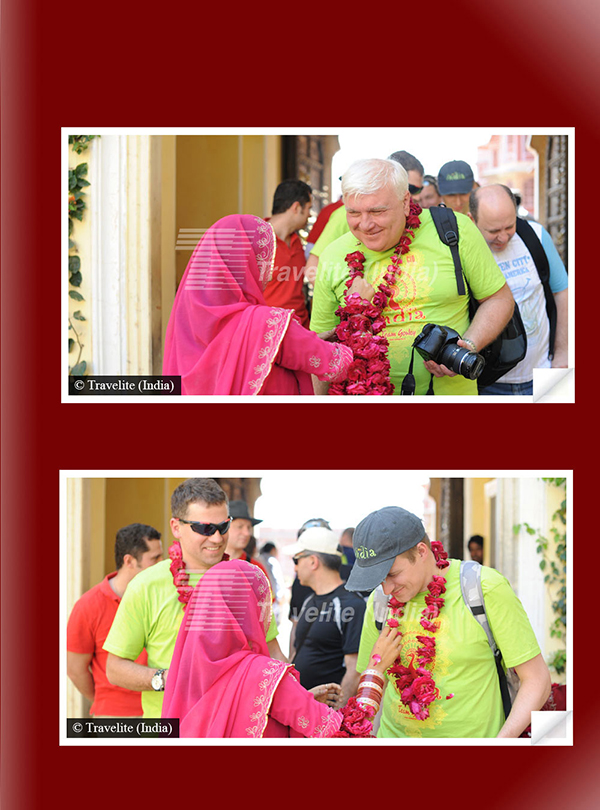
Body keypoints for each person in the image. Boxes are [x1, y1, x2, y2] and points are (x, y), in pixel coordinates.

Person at [310, 158, 515, 395]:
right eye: (354, 212)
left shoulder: (455, 230)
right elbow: (321, 349)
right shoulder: (333, 255)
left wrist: (468, 345)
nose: (365, 224)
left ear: (406, 202)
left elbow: (498, 299)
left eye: (377, 211)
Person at [346, 506, 552, 738]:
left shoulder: (483, 588)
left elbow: (537, 679)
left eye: (393, 574)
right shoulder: (379, 602)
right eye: (378, 579)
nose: (386, 588)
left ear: (421, 551)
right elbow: (370, 684)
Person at [104, 479, 286, 718]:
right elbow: (115, 668)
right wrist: (166, 679)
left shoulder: (247, 581)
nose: (217, 538)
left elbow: (273, 653)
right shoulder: (146, 585)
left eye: (223, 526)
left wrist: (300, 697)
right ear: (176, 527)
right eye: (205, 528)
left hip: (237, 726)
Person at [161, 559, 403, 737]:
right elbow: (347, 734)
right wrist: (376, 671)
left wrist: (302, 699)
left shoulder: (188, 675)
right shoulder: (262, 676)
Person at [162, 214, 353, 395]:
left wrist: (307, 338)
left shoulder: (186, 324)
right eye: (262, 261)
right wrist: (357, 306)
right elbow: (339, 363)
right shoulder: (264, 323)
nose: (268, 274)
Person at [468, 184, 569, 395]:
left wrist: (562, 354)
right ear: (472, 220)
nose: (503, 237)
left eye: (509, 227)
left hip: (544, 373)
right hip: (489, 384)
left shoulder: (536, 236)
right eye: (493, 231)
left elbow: (562, 292)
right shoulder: (463, 251)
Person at [67, 523, 163, 717]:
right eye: (155, 558)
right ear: (129, 561)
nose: (163, 564)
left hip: (161, 712)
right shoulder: (88, 606)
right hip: (115, 719)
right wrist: (106, 703)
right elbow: (75, 668)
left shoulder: (163, 596)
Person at [305, 150, 425, 283]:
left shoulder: (426, 223)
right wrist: (349, 298)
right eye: (412, 188)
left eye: (420, 190)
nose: (418, 196)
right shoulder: (344, 215)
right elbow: (312, 267)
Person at [282, 527, 367, 705]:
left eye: (297, 559)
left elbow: (355, 670)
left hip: (324, 716)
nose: (295, 567)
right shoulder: (309, 599)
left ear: (313, 562)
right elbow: (299, 651)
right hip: (300, 709)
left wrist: (335, 717)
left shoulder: (352, 605)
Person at [263, 179, 312, 327]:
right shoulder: (257, 240)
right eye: (309, 208)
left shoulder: (298, 242)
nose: (310, 215)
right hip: (270, 333)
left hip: (301, 329)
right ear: (296, 207)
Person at [225, 499, 269, 578]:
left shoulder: (256, 569)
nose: (247, 533)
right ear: (224, 527)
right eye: (240, 527)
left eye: (249, 528)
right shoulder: (208, 564)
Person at [259, 541, 287, 624]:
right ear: (273, 549)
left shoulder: (258, 559)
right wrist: (280, 595)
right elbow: (277, 579)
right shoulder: (272, 560)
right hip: (272, 598)